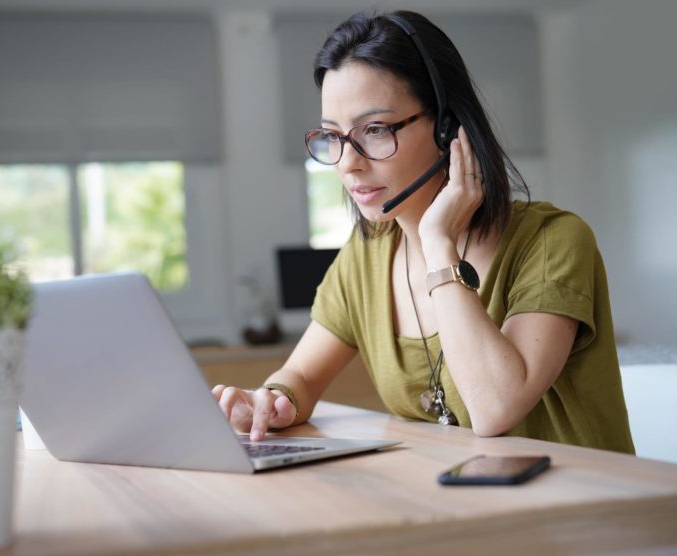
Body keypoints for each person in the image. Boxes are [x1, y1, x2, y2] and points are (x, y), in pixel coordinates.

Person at [212, 10, 634, 453]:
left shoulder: (554, 241)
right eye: (333, 136)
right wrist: (270, 401)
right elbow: (299, 377)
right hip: (465, 508)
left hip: (585, 512)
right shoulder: (368, 253)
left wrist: (438, 242)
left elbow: (495, 408)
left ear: (447, 127)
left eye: (374, 130)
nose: (347, 162)